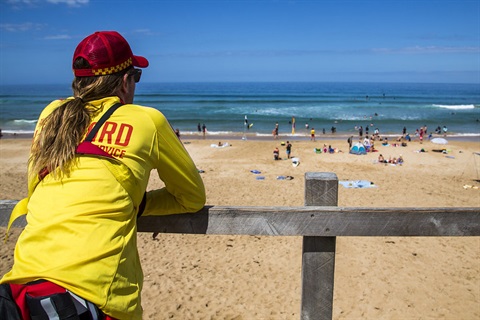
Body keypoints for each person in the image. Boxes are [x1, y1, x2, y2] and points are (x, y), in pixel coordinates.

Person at [0, 31, 206, 320]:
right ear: (124, 82)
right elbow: (192, 198)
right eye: (135, 76)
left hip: (20, 289)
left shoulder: (51, 115)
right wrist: (139, 204)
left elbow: (35, 188)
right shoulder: (147, 120)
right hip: (91, 299)